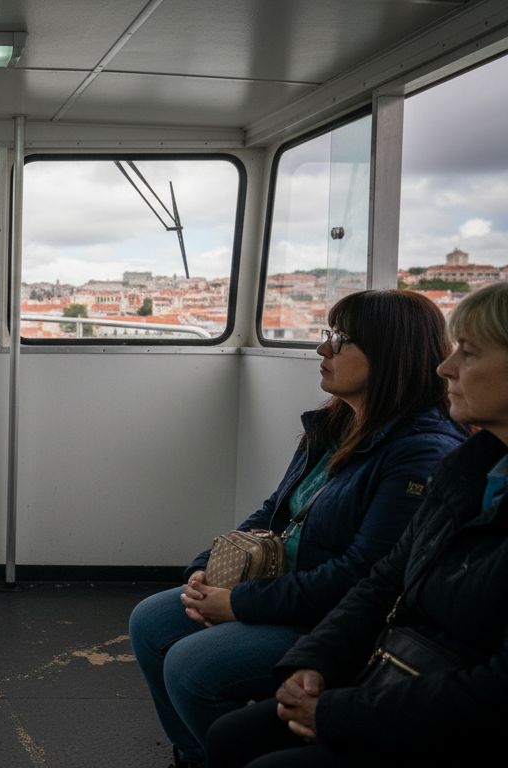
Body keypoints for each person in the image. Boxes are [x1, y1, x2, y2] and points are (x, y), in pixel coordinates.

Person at [128, 289, 464, 767]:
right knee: (150, 621)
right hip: (286, 590)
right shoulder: (337, 424)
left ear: (390, 354)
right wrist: (207, 568)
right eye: (328, 335)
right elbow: (275, 511)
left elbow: (360, 576)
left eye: (341, 340)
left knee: (191, 666)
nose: (322, 350)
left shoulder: (420, 451)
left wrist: (238, 603)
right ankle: (195, 755)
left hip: (331, 619)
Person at [204, 282, 508, 767]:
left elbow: (492, 694)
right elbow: (385, 577)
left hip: (444, 705)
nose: (445, 368)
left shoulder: (429, 452)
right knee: (228, 737)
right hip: (397, 665)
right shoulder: (467, 468)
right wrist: (312, 662)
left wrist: (337, 709)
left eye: (467, 353)